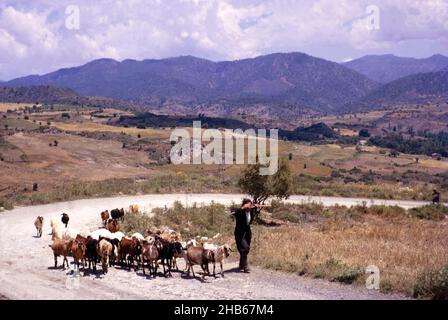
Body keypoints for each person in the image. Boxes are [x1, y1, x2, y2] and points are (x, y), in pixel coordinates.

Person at [231, 198, 258, 273]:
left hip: (247, 232)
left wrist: (255, 207)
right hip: (239, 232)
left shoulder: (251, 211)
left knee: (246, 249)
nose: (249, 208)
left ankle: (241, 263)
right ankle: (245, 266)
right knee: (245, 248)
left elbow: (253, 214)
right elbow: (232, 212)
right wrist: (243, 208)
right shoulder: (240, 212)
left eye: (250, 205)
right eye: (247, 206)